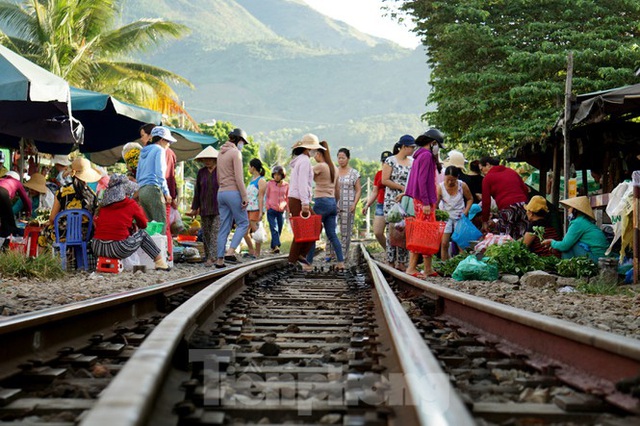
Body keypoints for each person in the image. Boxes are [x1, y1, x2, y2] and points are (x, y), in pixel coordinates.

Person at [92, 174, 170, 271]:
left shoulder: (103, 206)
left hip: (97, 247)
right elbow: (143, 225)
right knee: (143, 234)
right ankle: (160, 263)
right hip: (118, 248)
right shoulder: (130, 204)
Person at [404, 129, 444, 278]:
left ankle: (427, 268)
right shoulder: (426, 156)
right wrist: (426, 202)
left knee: (427, 232)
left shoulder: (420, 155)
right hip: (424, 201)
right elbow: (422, 181)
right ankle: (411, 267)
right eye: (438, 144)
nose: (438, 148)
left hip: (422, 200)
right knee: (422, 232)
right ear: (432, 143)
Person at [39, 157, 100, 249]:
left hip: (64, 234)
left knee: (43, 232)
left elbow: (52, 218)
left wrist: (49, 223)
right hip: (85, 235)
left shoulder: (62, 191)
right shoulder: (92, 194)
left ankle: (46, 261)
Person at [215, 128, 251, 268]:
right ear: (238, 140)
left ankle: (219, 260)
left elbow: (218, 177)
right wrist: (244, 196)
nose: (243, 144)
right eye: (242, 141)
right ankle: (230, 252)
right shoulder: (236, 153)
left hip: (221, 193)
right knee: (243, 223)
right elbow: (238, 178)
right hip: (233, 192)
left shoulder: (220, 153)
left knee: (224, 227)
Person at [288, 133, 324, 271]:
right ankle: (295, 257)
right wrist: (305, 204)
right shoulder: (304, 162)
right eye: (313, 148)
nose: (315, 151)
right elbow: (303, 184)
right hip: (299, 199)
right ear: (307, 148)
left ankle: (296, 258)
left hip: (297, 198)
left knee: (305, 228)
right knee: (310, 228)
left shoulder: (301, 160)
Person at [306, 140, 344, 268]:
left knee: (313, 233)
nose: (313, 156)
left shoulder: (320, 166)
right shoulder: (335, 168)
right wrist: (336, 204)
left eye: (314, 153)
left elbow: (306, 173)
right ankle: (341, 262)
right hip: (332, 202)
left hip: (321, 201)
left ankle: (308, 263)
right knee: (332, 234)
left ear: (319, 153)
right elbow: (337, 189)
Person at [381, 136, 414, 271]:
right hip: (392, 199)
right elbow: (385, 180)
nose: (413, 150)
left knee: (404, 230)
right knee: (392, 230)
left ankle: (402, 261)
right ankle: (390, 259)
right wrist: (401, 188)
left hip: (406, 200)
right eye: (411, 147)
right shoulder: (390, 161)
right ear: (404, 147)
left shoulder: (412, 162)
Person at [541, 196, 609, 262]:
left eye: (570, 208)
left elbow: (564, 245)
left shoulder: (578, 223)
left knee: (569, 247)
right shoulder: (583, 221)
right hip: (601, 258)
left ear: (575, 210)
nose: (568, 211)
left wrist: (552, 242)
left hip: (598, 259)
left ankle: (567, 269)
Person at [479, 156, 529, 240]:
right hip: (523, 205)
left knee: (506, 239)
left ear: (487, 165)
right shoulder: (511, 171)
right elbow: (525, 189)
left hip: (507, 208)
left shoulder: (487, 178)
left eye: (481, 169)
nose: (482, 173)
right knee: (522, 237)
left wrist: (485, 221)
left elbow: (486, 202)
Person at [188, 146, 220, 267]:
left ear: (215, 159)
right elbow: (197, 191)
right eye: (205, 159)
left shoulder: (221, 171)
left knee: (215, 232)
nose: (207, 161)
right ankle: (208, 256)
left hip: (219, 207)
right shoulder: (201, 173)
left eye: (209, 159)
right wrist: (194, 208)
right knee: (206, 233)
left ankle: (213, 257)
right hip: (205, 207)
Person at [136, 126, 173, 227]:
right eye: (168, 141)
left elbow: (138, 174)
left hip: (142, 191)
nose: (169, 145)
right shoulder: (159, 150)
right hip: (153, 189)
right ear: (162, 139)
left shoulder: (143, 151)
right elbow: (160, 173)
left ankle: (151, 243)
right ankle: (160, 244)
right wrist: (166, 192)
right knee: (161, 225)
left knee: (152, 226)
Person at [328, 148, 361, 262]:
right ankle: (330, 254)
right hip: (333, 204)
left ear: (348, 158)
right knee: (331, 229)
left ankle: (343, 255)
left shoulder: (354, 173)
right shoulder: (334, 171)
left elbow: (358, 190)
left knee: (345, 231)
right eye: (339, 158)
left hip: (348, 205)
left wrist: (354, 204)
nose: (341, 160)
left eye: (343, 158)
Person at [437, 166, 473, 260]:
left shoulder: (462, 185)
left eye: (452, 180)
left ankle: (461, 264)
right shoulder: (440, 187)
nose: (450, 182)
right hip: (446, 216)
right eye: (448, 179)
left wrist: (465, 212)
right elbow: (436, 204)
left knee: (460, 243)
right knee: (444, 243)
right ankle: (444, 264)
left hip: (460, 216)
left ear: (457, 177)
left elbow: (470, 199)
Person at [362, 150, 392, 250]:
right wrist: (367, 205)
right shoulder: (379, 174)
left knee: (392, 233)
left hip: (393, 204)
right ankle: (388, 251)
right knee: (378, 232)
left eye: (387, 161)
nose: (385, 164)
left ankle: (394, 257)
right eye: (383, 162)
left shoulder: (395, 173)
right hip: (381, 204)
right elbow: (375, 191)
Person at [243, 158, 267, 258]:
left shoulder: (261, 180)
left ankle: (257, 253)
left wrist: (261, 212)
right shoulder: (252, 180)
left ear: (253, 167)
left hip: (256, 208)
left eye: (249, 166)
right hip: (249, 208)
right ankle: (251, 250)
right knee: (244, 231)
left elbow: (261, 197)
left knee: (255, 230)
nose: (248, 168)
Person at [265, 165, 288, 254]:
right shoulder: (270, 184)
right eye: (275, 174)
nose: (276, 176)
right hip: (271, 209)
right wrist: (267, 206)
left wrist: (288, 210)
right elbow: (266, 196)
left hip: (281, 211)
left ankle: (273, 247)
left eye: (278, 175)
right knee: (274, 228)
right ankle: (277, 246)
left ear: (282, 175)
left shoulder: (286, 185)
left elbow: (287, 199)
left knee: (280, 228)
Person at [0, 171, 31, 237]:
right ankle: (8, 241)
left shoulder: (2, 180)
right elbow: (25, 199)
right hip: (2, 193)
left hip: (2, 195)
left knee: (4, 221)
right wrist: (29, 211)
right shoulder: (17, 183)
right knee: (10, 224)